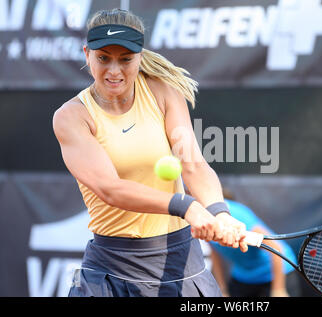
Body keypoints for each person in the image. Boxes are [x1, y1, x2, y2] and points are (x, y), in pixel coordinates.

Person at [52, 8, 247, 297]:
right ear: (87, 55)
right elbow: (110, 189)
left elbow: (192, 163)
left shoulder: (162, 92)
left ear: (140, 57)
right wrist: (187, 206)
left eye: (126, 59)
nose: (114, 71)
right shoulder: (71, 117)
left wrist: (219, 211)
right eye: (103, 58)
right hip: (111, 268)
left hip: (180, 264)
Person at [209, 188, 302, 297]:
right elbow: (215, 252)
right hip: (243, 277)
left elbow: (276, 248)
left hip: (277, 273)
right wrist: (222, 290)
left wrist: (278, 290)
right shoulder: (201, 221)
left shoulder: (235, 214)